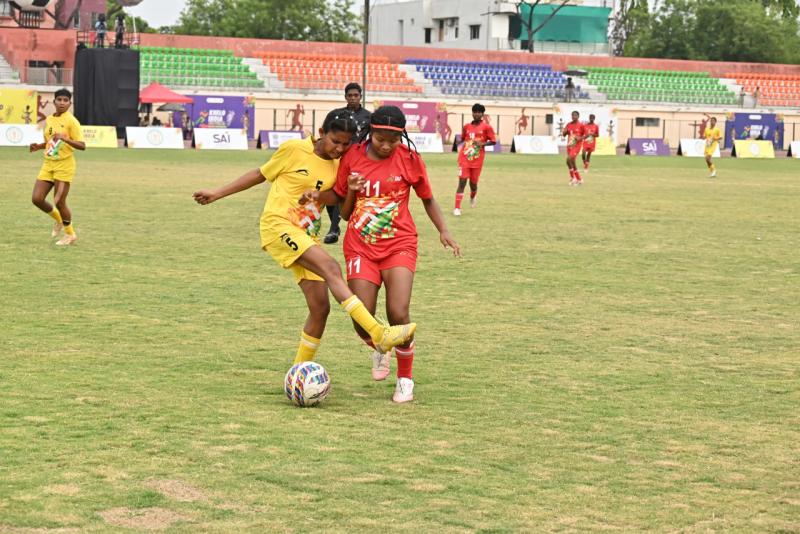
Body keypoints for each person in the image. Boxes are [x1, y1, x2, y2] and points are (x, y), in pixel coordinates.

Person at [193, 110, 416, 376]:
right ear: (322, 133)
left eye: (345, 144)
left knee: (320, 308)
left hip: (307, 236)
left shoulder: (340, 163)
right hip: (279, 226)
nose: (340, 148)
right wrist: (217, 193)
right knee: (332, 268)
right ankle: (377, 331)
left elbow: (336, 197)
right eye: (335, 141)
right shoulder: (294, 149)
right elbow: (259, 174)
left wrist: (328, 194)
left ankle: (298, 373)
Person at [302, 106, 460, 403]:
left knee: (398, 312)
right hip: (360, 246)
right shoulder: (352, 156)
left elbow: (427, 198)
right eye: (380, 139)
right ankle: (379, 346)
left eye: (393, 140)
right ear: (370, 132)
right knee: (361, 317)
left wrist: (444, 230)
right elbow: (344, 212)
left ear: (402, 137)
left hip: (399, 243)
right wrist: (341, 191)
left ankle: (405, 379)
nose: (386, 146)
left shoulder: (410, 159)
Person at [29, 88, 85, 246]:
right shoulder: (49, 119)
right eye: (59, 99)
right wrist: (39, 146)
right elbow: (50, 142)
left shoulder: (72, 121)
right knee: (37, 199)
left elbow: (82, 145)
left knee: (59, 201)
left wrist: (65, 139)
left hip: (64, 165)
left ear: (70, 103)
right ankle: (59, 219)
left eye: (65, 100)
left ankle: (70, 235)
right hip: (48, 164)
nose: (62, 103)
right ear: (54, 102)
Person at [324, 82, 372, 245]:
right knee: (331, 188)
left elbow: (373, 139)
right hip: (336, 157)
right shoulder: (335, 114)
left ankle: (335, 228)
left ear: (360, 97)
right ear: (345, 97)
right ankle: (334, 227)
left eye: (355, 95)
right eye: (349, 95)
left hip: (356, 160)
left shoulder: (369, 117)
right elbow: (325, 133)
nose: (352, 98)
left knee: (347, 192)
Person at [454, 103, 496, 216]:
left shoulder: (487, 127)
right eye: (475, 112)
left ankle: (473, 195)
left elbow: (493, 141)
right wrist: (458, 142)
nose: (476, 114)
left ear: (482, 114)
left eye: (479, 112)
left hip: (477, 160)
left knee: (473, 184)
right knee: (462, 181)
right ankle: (457, 208)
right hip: (464, 158)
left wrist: (482, 143)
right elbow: (463, 138)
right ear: (472, 113)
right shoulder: (466, 126)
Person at [562, 110, 585, 186]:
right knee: (571, 162)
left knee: (569, 159)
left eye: (575, 115)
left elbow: (586, 135)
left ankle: (573, 178)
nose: (573, 116)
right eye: (572, 115)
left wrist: (579, 138)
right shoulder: (569, 124)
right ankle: (579, 179)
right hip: (570, 145)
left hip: (577, 146)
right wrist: (564, 132)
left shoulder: (581, 125)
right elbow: (564, 134)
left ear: (578, 116)